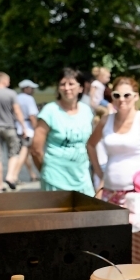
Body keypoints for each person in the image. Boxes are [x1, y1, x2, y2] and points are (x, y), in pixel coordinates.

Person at [87, 77, 140, 206]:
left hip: (136, 193)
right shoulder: (105, 120)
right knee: (111, 226)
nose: (121, 99)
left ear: (136, 96)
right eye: (117, 95)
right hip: (109, 191)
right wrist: (98, 171)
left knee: (136, 227)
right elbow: (90, 145)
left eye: (127, 95)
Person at [31, 68, 95, 196]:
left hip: (82, 178)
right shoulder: (50, 111)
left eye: (71, 84)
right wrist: (46, 171)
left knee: (87, 215)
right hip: (55, 178)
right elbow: (35, 149)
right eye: (62, 84)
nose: (67, 88)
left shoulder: (86, 111)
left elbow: (90, 143)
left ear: (81, 88)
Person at [13, 79, 40, 182]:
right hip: (27, 128)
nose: (33, 90)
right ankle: (14, 176)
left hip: (17, 127)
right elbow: (32, 116)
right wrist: (36, 128)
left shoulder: (16, 98)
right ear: (26, 88)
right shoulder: (29, 99)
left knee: (24, 154)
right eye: (32, 88)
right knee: (24, 153)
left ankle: (32, 174)